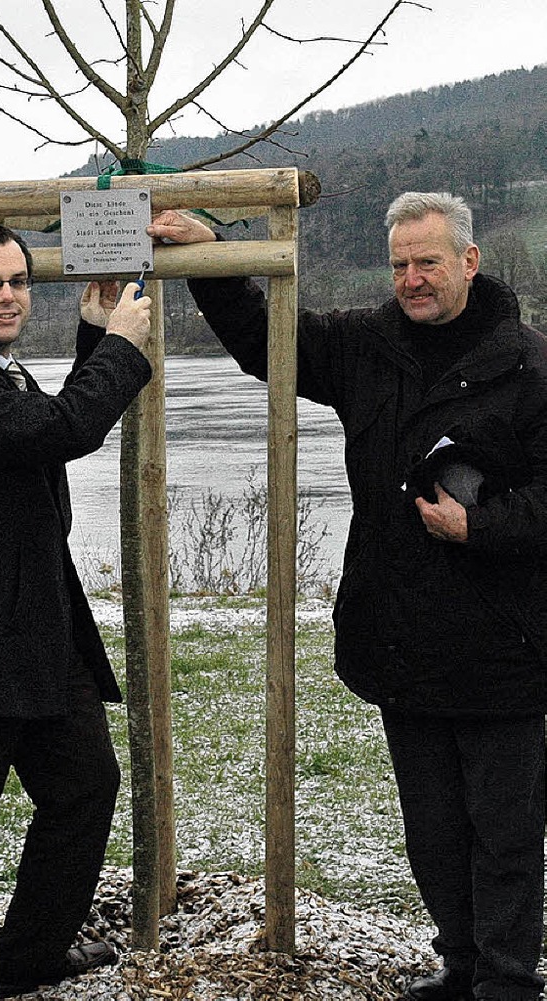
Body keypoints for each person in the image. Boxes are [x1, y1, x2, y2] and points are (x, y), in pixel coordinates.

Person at [146, 194, 547, 1001]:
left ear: (470, 261)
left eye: (428, 261)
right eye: (399, 263)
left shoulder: (533, 366)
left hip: (508, 644)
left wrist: (482, 524)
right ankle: (462, 964)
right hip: (397, 634)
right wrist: (212, 253)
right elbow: (271, 341)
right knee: (433, 827)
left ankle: (508, 981)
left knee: (504, 833)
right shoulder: (366, 345)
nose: (411, 279)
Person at [0, 223, 152, 1001]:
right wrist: (120, 348)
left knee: (85, 787)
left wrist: (87, 333)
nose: (10, 294)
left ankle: (25, 959)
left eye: (18, 279)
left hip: (37, 639)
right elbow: (63, 429)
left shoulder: (0, 372)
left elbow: (45, 437)